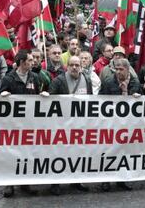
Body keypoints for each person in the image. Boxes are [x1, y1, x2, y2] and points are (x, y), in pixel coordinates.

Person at [48, 56, 92, 195]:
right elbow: (51, 100)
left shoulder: (87, 80)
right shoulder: (58, 80)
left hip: (79, 125)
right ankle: (55, 183)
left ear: (80, 66)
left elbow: (91, 100)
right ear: (67, 66)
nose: (74, 67)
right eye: (72, 65)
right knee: (58, 154)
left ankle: (76, 180)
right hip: (62, 125)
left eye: (77, 65)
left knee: (77, 153)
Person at [0, 50, 40, 197]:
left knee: (26, 153)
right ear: (22, 63)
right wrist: (3, 96)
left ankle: (25, 182)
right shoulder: (8, 79)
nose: (33, 62)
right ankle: (9, 184)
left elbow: (38, 94)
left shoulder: (34, 77)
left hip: (29, 123)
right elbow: (0, 100)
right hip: (13, 124)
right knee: (11, 154)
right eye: (29, 60)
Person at [99, 58, 139, 191]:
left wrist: (126, 92)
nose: (118, 72)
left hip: (128, 124)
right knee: (109, 152)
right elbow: (100, 100)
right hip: (111, 123)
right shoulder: (108, 81)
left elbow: (135, 104)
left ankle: (123, 179)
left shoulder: (134, 82)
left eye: (121, 69)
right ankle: (106, 180)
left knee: (125, 152)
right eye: (116, 69)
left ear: (128, 70)